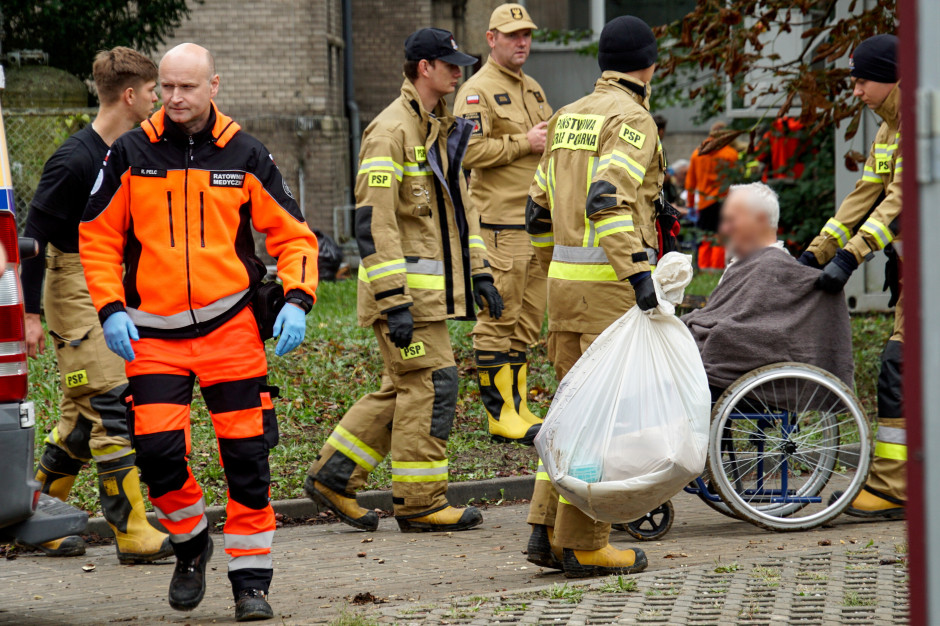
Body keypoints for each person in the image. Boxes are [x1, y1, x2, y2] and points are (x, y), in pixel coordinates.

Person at [80, 43, 319, 621]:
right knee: (158, 454)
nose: (177, 98)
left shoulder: (245, 153)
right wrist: (111, 308)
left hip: (231, 329)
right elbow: (98, 236)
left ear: (215, 86)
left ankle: (249, 582)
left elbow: (294, 236)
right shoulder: (130, 153)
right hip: (152, 335)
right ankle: (190, 544)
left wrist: (299, 299)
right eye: (167, 87)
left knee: (248, 459)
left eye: (189, 87)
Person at [305, 29, 503, 535]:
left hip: (427, 297)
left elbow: (464, 211)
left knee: (405, 387)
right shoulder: (390, 131)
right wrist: (394, 301)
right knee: (433, 383)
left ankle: (334, 476)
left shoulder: (439, 128)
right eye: (450, 65)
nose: (458, 73)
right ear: (423, 68)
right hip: (405, 300)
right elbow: (375, 223)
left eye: (460, 66)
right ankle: (419, 503)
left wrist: (480, 274)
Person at [20, 47, 173, 564]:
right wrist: (32, 316)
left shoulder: (129, 151)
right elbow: (32, 238)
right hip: (72, 288)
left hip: (109, 285)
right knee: (112, 406)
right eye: (153, 90)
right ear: (129, 96)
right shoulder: (75, 159)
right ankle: (131, 530)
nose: (159, 98)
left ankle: (28, 518)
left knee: (80, 424)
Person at [524, 15, 662, 578]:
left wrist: (549, 267)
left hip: (564, 289)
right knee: (608, 417)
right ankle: (584, 543)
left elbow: (536, 209)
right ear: (650, 64)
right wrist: (638, 276)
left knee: (571, 410)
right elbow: (608, 201)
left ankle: (544, 529)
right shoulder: (633, 119)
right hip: (609, 292)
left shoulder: (567, 116)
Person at [799, 34, 904, 520]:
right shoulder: (888, 130)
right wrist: (818, 253)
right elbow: (865, 197)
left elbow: (903, 203)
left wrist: (851, 258)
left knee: (899, 368)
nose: (856, 90)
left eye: (863, 79)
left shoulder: (926, 122)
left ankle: (894, 487)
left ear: (890, 76)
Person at [454, 3, 552, 445]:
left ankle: (519, 407)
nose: (522, 42)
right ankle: (500, 416)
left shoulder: (531, 88)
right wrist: (523, 142)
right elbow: (467, 153)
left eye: (526, 34)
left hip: (535, 226)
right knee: (498, 318)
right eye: (512, 35)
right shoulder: (476, 92)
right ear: (491, 39)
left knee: (527, 321)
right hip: (499, 226)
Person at [719, 182, 785, 276]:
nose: (725, 229)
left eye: (732, 219)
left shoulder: (769, 273)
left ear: (761, 220)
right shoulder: (747, 264)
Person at [686, 121, 739, 231]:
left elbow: (690, 183)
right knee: (724, 238)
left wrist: (690, 204)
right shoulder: (731, 154)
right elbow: (736, 182)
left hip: (705, 204)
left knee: (706, 239)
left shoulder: (697, 154)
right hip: (725, 202)